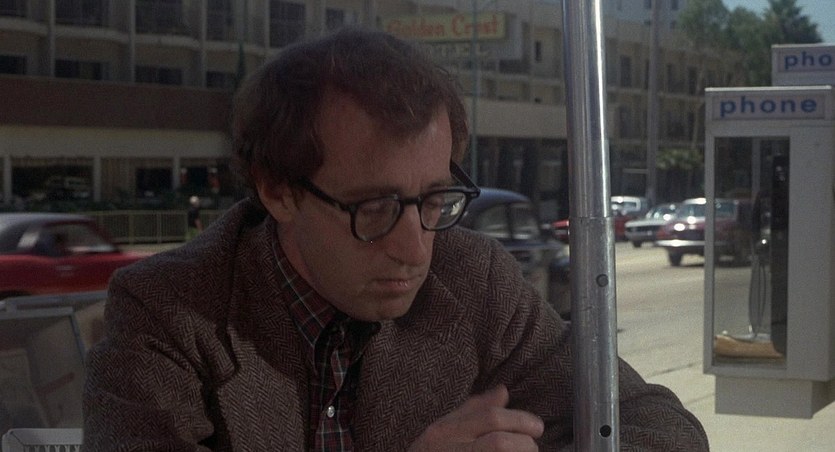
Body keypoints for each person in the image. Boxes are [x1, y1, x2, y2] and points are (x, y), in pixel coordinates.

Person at [83, 27, 709, 450]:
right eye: (375, 207)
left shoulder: (473, 279)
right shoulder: (168, 310)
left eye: (435, 198)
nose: (415, 249)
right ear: (277, 191)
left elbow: (663, 428)